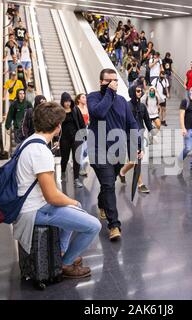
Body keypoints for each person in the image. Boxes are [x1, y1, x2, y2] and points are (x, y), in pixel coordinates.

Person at [13, 101, 101, 279]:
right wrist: (73, 202)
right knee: (93, 226)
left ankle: (60, 252)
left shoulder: (28, 142)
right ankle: (66, 263)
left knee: (71, 210)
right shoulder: (40, 151)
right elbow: (52, 197)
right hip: (33, 210)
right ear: (57, 126)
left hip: (27, 205)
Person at [87, 69, 142, 241]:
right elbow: (99, 113)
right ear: (101, 82)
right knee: (109, 185)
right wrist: (109, 92)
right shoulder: (93, 97)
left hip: (118, 150)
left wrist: (137, 146)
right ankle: (114, 225)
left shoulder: (122, 102)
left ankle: (102, 203)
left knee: (109, 182)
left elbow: (131, 124)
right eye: (109, 81)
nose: (113, 83)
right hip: (98, 150)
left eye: (115, 81)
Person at [119, 86, 154, 194]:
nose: (140, 92)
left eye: (140, 91)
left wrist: (153, 133)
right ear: (132, 92)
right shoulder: (126, 106)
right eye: (138, 91)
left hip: (140, 135)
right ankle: (140, 184)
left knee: (135, 161)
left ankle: (122, 172)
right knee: (136, 160)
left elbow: (147, 121)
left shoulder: (142, 106)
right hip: (130, 136)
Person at [59, 92, 86, 188]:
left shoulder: (75, 109)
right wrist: (55, 139)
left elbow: (82, 123)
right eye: (66, 101)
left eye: (69, 101)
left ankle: (76, 179)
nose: (68, 103)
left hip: (76, 137)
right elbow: (56, 125)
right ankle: (62, 172)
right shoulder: (59, 111)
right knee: (65, 158)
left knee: (77, 159)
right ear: (62, 102)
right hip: (64, 138)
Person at [75, 93, 90, 177]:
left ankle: (81, 165)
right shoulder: (77, 109)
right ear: (78, 100)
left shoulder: (86, 108)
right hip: (80, 131)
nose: (85, 99)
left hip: (86, 130)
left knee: (86, 150)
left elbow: (87, 121)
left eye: (85, 97)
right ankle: (80, 168)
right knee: (80, 150)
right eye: (83, 97)